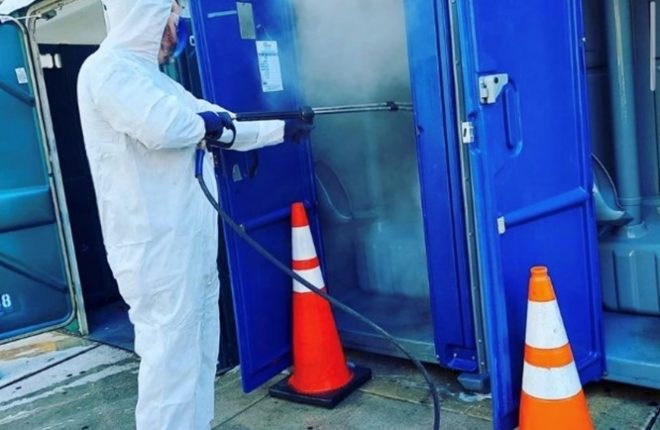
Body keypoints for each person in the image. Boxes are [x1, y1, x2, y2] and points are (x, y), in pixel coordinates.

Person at [77, 1, 300, 428]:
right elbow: (165, 127)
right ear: (146, 13)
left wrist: (280, 129)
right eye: (172, 15)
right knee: (170, 367)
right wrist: (209, 125)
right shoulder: (107, 70)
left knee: (198, 358)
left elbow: (219, 119)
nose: (177, 26)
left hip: (187, 244)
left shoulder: (155, 80)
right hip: (154, 250)